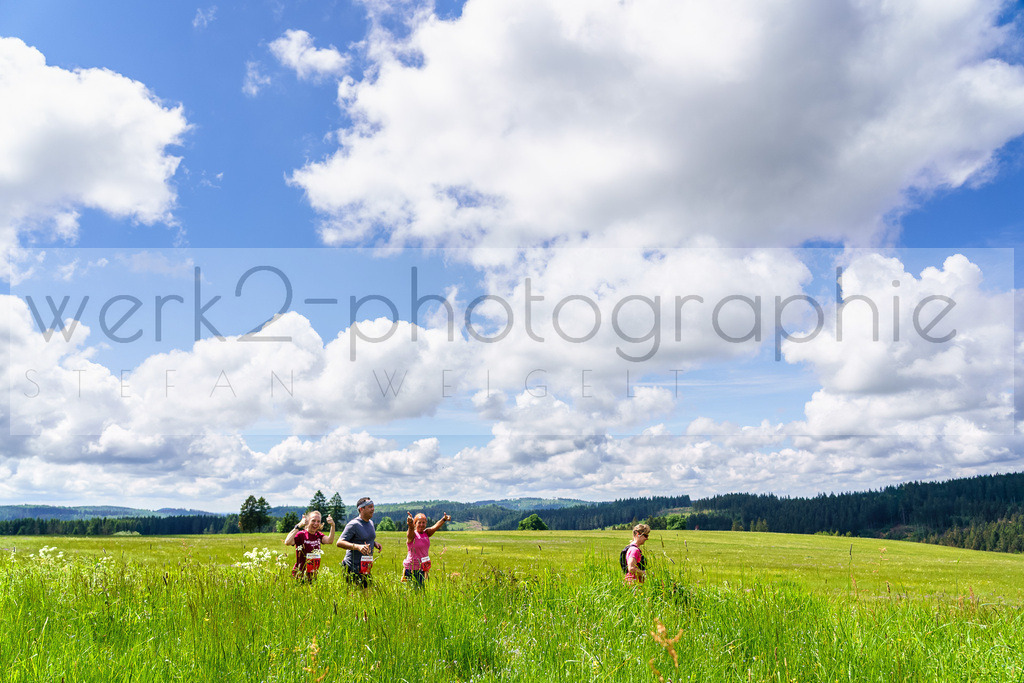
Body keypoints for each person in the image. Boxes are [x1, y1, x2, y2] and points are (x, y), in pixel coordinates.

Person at [337, 497, 382, 587]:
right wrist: (358, 547)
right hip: (351, 567)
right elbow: (339, 542)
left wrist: (374, 543)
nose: (373, 509)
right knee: (351, 597)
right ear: (361, 509)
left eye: (373, 507)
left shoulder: (371, 523)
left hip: (365, 567)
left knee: (366, 596)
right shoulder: (353, 524)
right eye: (370, 507)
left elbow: (364, 538)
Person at [284, 510, 335, 581]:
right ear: (307, 521)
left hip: (313, 575)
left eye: (318, 521)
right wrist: (299, 525)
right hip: (300, 574)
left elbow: (330, 541)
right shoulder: (301, 534)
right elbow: (287, 542)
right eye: (313, 521)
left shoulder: (318, 535)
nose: (316, 523)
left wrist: (332, 525)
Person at [403, 511, 451, 587]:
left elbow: (435, 527)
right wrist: (410, 522)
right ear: (415, 524)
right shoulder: (412, 535)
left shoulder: (426, 533)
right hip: (412, 568)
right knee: (413, 591)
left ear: (426, 523)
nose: (421, 525)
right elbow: (411, 529)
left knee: (422, 591)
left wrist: (444, 519)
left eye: (423, 523)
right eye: (419, 523)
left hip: (423, 568)